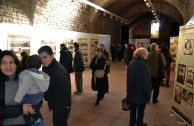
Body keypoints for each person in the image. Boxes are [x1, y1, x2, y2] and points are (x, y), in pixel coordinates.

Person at [0, 50, 36, 126]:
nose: (8, 66)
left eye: (11, 62)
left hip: (29, 122)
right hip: (8, 124)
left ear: (16, 64)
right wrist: (21, 109)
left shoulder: (25, 78)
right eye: (4, 63)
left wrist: (34, 105)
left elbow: (37, 98)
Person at [38, 46, 71, 126]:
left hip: (62, 105)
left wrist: (47, 94)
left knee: (59, 123)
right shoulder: (46, 67)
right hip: (56, 102)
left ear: (52, 56)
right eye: (41, 58)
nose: (43, 61)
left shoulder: (59, 70)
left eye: (45, 57)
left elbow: (64, 93)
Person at [14, 55, 50, 126]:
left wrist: (16, 101)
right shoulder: (40, 74)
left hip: (29, 99)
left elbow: (22, 89)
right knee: (35, 113)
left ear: (27, 63)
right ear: (40, 64)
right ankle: (39, 122)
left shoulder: (28, 76)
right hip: (38, 98)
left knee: (26, 114)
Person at [126, 48, 151, 126]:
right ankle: (139, 123)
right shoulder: (145, 65)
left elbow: (128, 79)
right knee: (140, 111)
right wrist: (148, 94)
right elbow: (146, 81)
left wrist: (128, 92)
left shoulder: (131, 63)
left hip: (132, 91)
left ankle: (132, 123)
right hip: (141, 92)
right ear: (143, 55)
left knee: (132, 110)